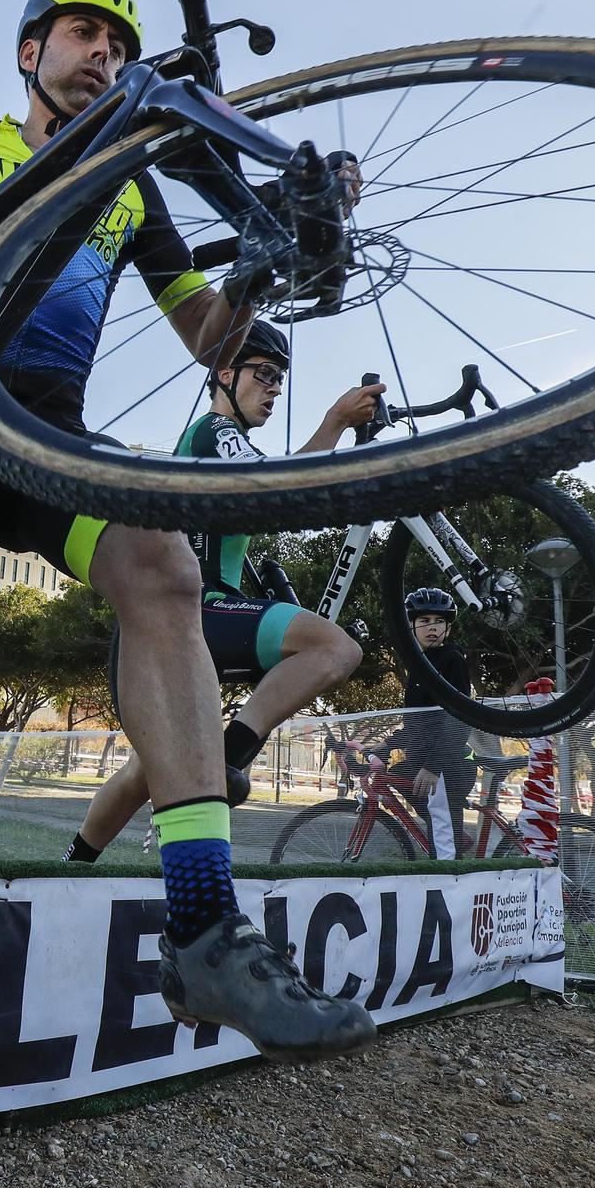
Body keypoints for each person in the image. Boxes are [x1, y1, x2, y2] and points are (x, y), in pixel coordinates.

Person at [0, 0, 372, 1060]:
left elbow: (210, 335)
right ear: (28, 55)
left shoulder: (128, 184)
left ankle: (200, 922)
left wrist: (269, 267)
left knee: (165, 573)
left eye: (115, 41)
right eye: (79, 33)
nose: (99, 52)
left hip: (46, 437)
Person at [64, 322, 386, 861]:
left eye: (280, 380)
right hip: (196, 609)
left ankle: (74, 863)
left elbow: (278, 490)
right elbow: (283, 489)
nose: (274, 389)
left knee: (146, 769)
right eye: (264, 375)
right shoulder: (215, 432)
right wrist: (334, 422)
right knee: (334, 647)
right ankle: (230, 753)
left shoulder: (230, 447)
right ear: (224, 373)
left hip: (163, 625)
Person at [390, 588, 476, 859]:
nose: (431, 627)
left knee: (444, 854)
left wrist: (432, 766)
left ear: (448, 628)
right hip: (426, 762)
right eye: (424, 621)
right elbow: (421, 724)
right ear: (412, 626)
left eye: (438, 621)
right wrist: (384, 745)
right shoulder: (421, 664)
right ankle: (454, 835)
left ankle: (452, 850)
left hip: (447, 767)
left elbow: (460, 717)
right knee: (399, 772)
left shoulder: (450, 659)